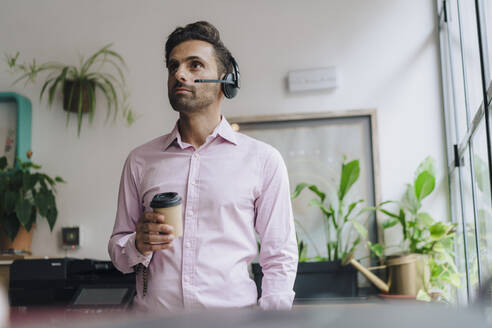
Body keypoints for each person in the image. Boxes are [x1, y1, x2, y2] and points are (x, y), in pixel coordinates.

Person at [108, 21, 298, 312]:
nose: (180, 74)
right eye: (173, 67)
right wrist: (138, 243)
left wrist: (273, 320)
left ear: (226, 81)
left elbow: (279, 257)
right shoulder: (140, 160)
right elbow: (119, 255)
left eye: (194, 65)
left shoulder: (263, 160)